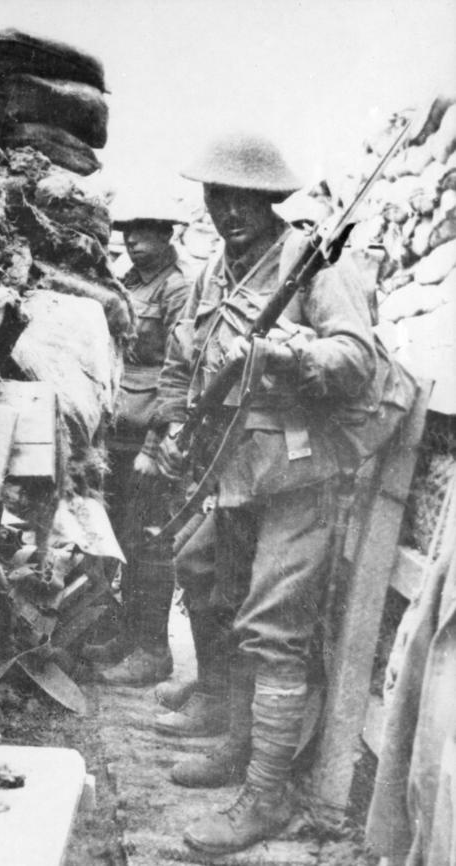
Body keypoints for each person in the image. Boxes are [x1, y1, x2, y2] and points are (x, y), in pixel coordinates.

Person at [149, 131, 416, 854]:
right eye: (218, 196)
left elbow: (355, 358)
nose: (229, 210)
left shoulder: (314, 264)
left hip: (301, 469)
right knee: (213, 586)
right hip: (233, 469)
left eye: (245, 197)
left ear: (271, 200)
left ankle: (266, 797)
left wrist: (283, 349)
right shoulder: (213, 273)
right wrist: (171, 430)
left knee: (274, 624)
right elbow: (187, 363)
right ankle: (236, 742)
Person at [82, 198, 196, 686]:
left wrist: (156, 439)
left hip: (150, 429)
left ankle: (153, 650)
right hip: (119, 427)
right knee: (122, 538)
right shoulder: (127, 282)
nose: (133, 240)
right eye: (128, 230)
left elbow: (179, 369)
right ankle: (127, 635)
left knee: (149, 541)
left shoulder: (178, 287)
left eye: (145, 230)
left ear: (167, 234)